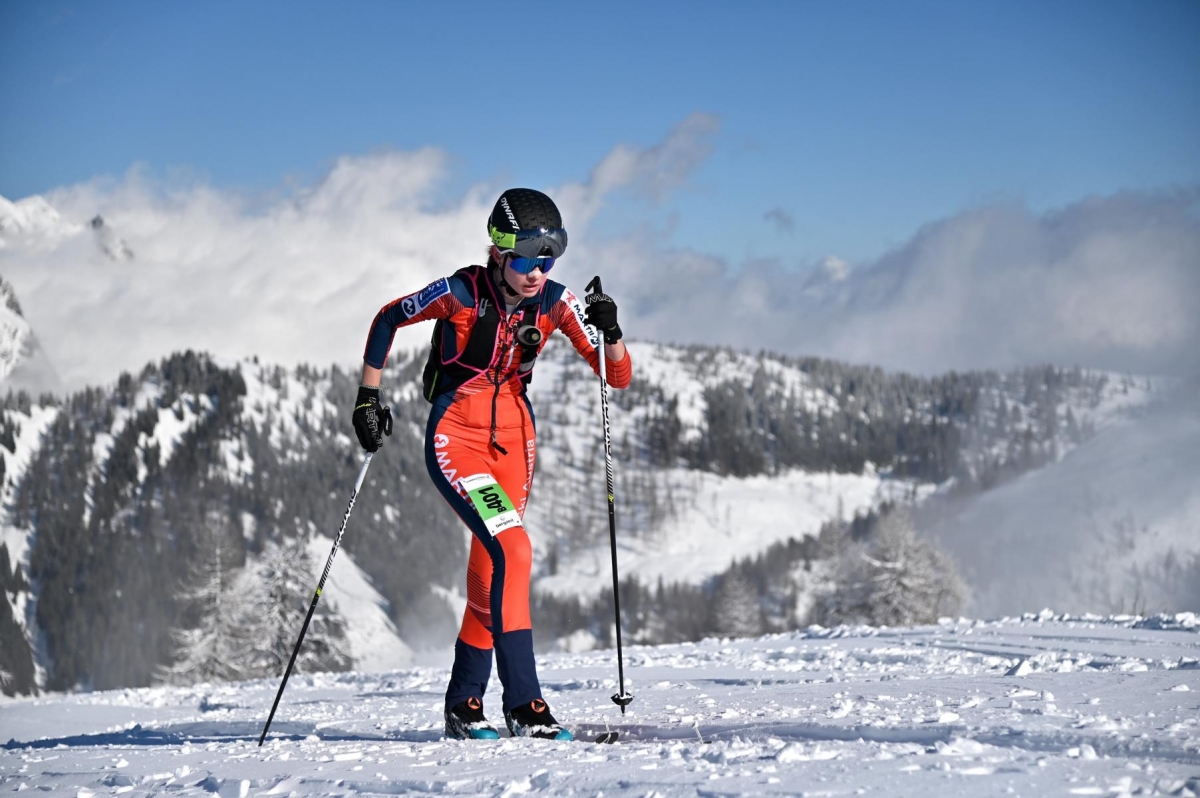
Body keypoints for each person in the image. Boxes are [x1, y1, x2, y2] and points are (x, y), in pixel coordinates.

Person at [352, 188, 632, 741]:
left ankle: (464, 705)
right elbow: (387, 319)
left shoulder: (553, 301)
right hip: (457, 437)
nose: (536, 272)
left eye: (547, 260)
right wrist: (368, 397)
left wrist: (612, 331)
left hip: (516, 446)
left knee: (489, 576)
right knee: (516, 549)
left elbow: (616, 376)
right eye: (525, 259)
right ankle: (526, 706)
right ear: (498, 252)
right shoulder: (459, 293)